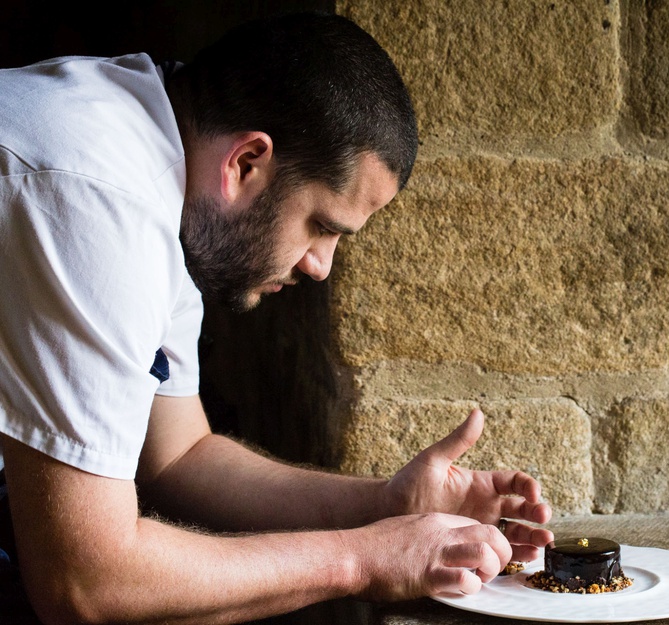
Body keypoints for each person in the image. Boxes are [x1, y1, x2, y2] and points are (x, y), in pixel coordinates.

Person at [0, 11, 553, 624]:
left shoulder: (169, 168)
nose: (321, 266)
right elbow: (83, 582)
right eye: (321, 225)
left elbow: (177, 455)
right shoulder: (95, 195)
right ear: (245, 163)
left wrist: (386, 505)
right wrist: (365, 559)